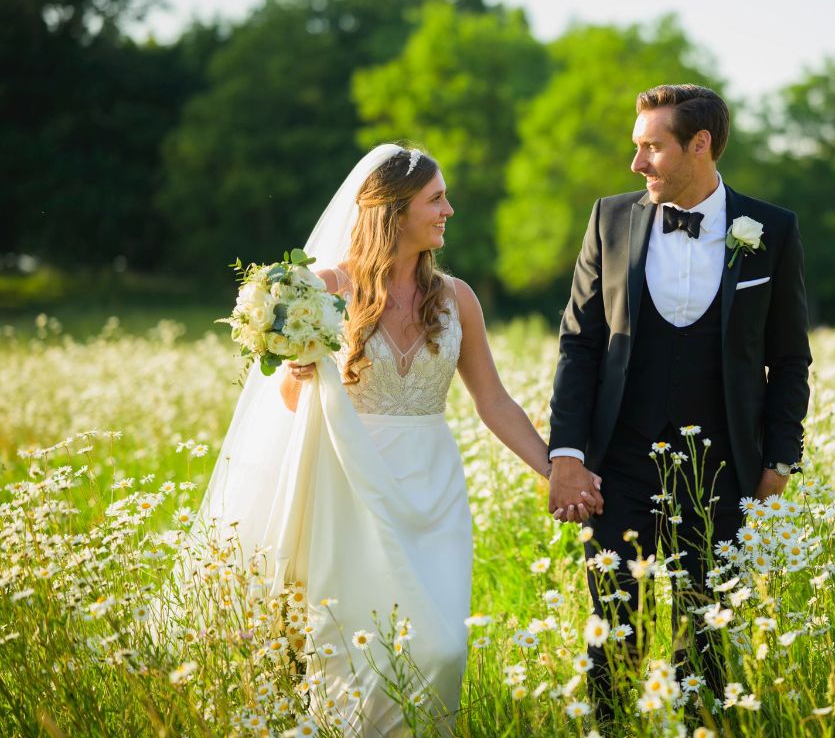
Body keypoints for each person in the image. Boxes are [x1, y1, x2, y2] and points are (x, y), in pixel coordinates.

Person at [199, 144, 580, 736]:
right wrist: (300, 369)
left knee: (442, 648)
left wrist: (553, 470)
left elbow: (494, 403)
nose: (449, 209)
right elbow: (290, 401)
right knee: (352, 651)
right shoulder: (321, 291)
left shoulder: (458, 299)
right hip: (350, 481)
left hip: (433, 489)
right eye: (436, 199)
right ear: (395, 212)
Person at [546, 84, 812, 718]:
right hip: (619, 469)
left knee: (710, 653)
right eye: (636, 147)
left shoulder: (771, 229)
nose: (637, 164)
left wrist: (779, 461)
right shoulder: (610, 219)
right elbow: (579, 345)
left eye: (652, 148)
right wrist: (567, 455)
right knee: (613, 642)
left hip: (723, 472)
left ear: (701, 145)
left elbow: (789, 357)